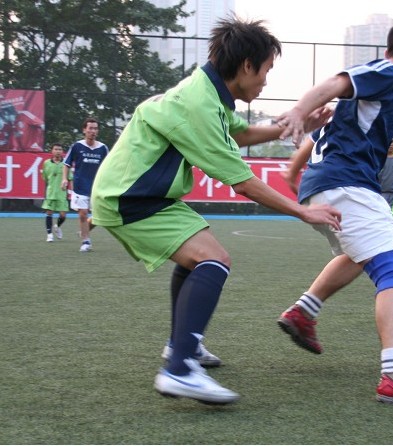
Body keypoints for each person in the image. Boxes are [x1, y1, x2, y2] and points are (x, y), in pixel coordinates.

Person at [90, 16, 341, 406]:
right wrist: (302, 211)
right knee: (213, 260)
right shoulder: (200, 103)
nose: (265, 81)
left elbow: (242, 134)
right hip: (129, 198)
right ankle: (179, 370)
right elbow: (243, 182)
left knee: (200, 258)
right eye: (266, 70)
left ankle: (181, 346)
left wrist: (299, 124)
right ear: (246, 66)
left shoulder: (207, 92)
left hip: (145, 195)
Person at [276, 20, 393, 404]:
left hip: (329, 185)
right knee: (392, 269)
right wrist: (299, 110)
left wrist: (294, 172)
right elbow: (334, 83)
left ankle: (303, 312)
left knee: (359, 256)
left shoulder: (375, 91)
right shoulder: (388, 74)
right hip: (346, 185)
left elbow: (323, 130)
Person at [62, 117, 109, 252]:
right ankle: (86, 241)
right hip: (80, 186)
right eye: (90, 128)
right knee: (83, 213)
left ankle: (84, 231)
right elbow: (66, 164)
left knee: (100, 216)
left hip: (97, 188)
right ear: (84, 130)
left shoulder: (103, 148)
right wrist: (64, 179)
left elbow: (109, 166)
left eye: (95, 129)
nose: (93, 131)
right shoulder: (77, 146)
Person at [41, 143, 70, 242]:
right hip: (51, 193)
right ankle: (49, 234)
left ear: (62, 152)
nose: (58, 151)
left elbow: (70, 178)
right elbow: (45, 178)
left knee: (63, 215)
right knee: (49, 213)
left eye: (60, 149)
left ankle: (57, 226)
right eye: (56, 149)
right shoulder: (46, 163)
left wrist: (71, 192)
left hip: (62, 193)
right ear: (52, 151)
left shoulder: (66, 164)